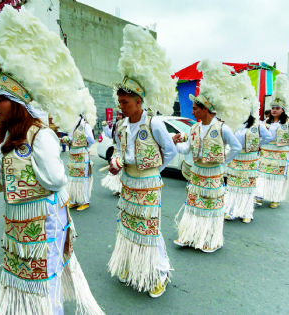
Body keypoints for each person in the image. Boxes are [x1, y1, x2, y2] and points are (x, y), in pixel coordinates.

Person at [0, 5, 103, 314]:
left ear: (15, 104)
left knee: (44, 280)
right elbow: (6, 177)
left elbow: (55, 181)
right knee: (22, 279)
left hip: (45, 220)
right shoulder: (4, 137)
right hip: (16, 221)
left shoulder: (40, 136)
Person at [107, 25, 178, 298]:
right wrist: (117, 161)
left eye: (124, 102)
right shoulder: (122, 126)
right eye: (120, 101)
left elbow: (169, 152)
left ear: (138, 101)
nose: (121, 106)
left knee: (149, 230)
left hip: (148, 184)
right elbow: (118, 150)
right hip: (127, 183)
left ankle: (159, 273)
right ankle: (134, 266)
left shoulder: (155, 123)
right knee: (128, 226)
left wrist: (152, 171)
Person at [172, 60, 243, 252]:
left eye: (195, 109)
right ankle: (189, 236)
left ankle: (210, 240)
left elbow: (236, 146)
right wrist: (176, 144)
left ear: (205, 109)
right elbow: (187, 150)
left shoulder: (221, 127)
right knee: (194, 205)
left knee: (210, 208)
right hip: (197, 174)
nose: (192, 111)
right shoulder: (194, 128)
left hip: (213, 175)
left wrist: (223, 161)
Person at [256, 75, 289, 208]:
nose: (274, 110)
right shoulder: (265, 122)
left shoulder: (288, 122)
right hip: (265, 153)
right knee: (263, 175)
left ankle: (276, 198)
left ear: (283, 110)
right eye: (273, 108)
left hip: (280, 154)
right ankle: (259, 196)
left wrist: (284, 141)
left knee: (277, 177)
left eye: (277, 108)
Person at [224, 113, 272, 223]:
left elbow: (268, 136)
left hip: (250, 158)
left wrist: (257, 144)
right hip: (235, 157)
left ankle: (246, 213)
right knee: (233, 186)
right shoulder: (233, 123)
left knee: (247, 186)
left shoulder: (257, 124)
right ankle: (231, 211)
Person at [63, 115, 95, 211]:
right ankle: (74, 200)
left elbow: (91, 140)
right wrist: (67, 140)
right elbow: (71, 139)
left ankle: (85, 201)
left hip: (82, 155)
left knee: (83, 178)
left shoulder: (85, 125)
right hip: (73, 155)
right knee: (72, 178)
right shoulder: (72, 126)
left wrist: (84, 146)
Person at [101, 111, 124, 195]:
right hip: (117, 152)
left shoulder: (127, 126)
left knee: (123, 172)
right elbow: (110, 135)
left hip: (124, 152)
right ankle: (118, 189)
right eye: (117, 115)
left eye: (120, 115)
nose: (118, 116)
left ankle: (123, 190)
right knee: (117, 171)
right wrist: (105, 126)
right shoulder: (116, 125)